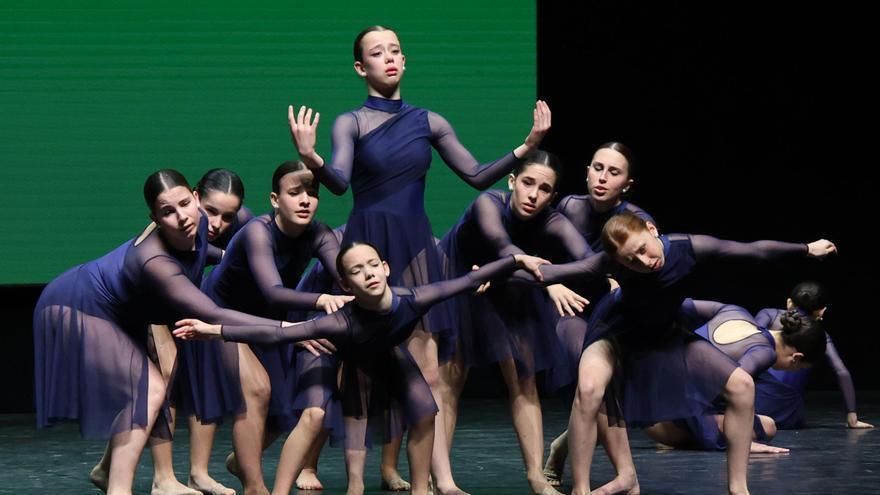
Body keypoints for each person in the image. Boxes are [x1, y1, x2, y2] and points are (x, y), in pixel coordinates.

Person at [286, 25, 552, 494]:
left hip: (414, 248)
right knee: (359, 367)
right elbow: (341, 182)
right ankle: (342, 476)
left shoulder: (430, 121)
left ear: (404, 61)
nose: (388, 58)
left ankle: (439, 478)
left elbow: (475, 174)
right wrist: (311, 158)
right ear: (360, 67)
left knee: (428, 369)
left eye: (394, 51)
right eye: (376, 52)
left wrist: (526, 147)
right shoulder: (350, 122)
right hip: (369, 244)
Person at [173, 242, 550, 495]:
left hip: (380, 348)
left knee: (424, 407)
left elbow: (468, 280)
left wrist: (516, 260)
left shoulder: (412, 299)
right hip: (330, 350)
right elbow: (276, 334)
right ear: (346, 283)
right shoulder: (338, 322)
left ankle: (422, 489)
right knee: (314, 414)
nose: (368, 273)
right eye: (357, 270)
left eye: (373, 265)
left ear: (385, 268)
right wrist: (215, 330)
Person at [511, 212, 837, 495]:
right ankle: (581, 489)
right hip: (616, 331)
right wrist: (494, 271)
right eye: (630, 261)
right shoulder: (608, 262)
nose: (642, 262)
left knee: (742, 386)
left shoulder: (686, 247)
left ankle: (738, 487)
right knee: (590, 390)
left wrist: (807, 249)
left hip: (663, 333)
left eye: (642, 250)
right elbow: (546, 273)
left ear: (652, 230)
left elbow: (751, 252)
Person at [33, 170, 291, 495]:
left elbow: (200, 250)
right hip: (78, 304)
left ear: (196, 197)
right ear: (154, 218)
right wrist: (292, 329)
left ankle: (107, 472)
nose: (182, 216)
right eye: (168, 211)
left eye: (185, 203)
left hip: (119, 309)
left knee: (149, 389)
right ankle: (120, 489)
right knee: (149, 390)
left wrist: (228, 257)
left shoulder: (198, 221)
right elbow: (213, 313)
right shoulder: (154, 260)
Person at [438, 150, 588, 495]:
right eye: (527, 183)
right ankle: (440, 480)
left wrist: (614, 270)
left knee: (524, 379)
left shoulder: (553, 221)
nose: (534, 195)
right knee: (450, 380)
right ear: (512, 182)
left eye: (545, 189)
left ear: (553, 196)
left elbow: (587, 260)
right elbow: (502, 246)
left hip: (511, 285)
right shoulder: (488, 203)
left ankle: (536, 476)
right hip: (459, 280)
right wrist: (549, 281)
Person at [197, 161, 351, 495]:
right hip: (223, 316)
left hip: (268, 320)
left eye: (312, 193)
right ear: (275, 198)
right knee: (257, 390)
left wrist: (376, 280)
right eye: (295, 193)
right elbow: (273, 290)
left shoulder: (319, 233)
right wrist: (319, 303)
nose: (305, 200)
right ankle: (255, 486)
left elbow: (344, 274)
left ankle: (241, 461)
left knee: (283, 411)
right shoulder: (258, 231)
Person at [544, 142, 654, 489]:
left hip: (618, 318)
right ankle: (624, 476)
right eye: (597, 167)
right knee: (595, 384)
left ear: (628, 183)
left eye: (614, 172)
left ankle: (562, 447)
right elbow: (537, 260)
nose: (602, 177)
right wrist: (552, 286)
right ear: (587, 171)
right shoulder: (567, 207)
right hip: (569, 309)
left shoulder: (639, 221)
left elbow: (653, 273)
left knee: (600, 393)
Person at [645, 300, 826, 452]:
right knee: (768, 426)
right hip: (663, 415)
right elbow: (730, 390)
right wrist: (743, 443)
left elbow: (681, 304)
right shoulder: (764, 352)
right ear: (796, 358)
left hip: (645, 394)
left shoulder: (734, 310)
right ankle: (681, 435)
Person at [754, 281, 874, 430]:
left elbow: (750, 341)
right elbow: (841, 371)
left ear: (789, 303)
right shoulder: (820, 336)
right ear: (822, 311)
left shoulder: (768, 315)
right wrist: (852, 416)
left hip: (751, 396)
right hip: (787, 410)